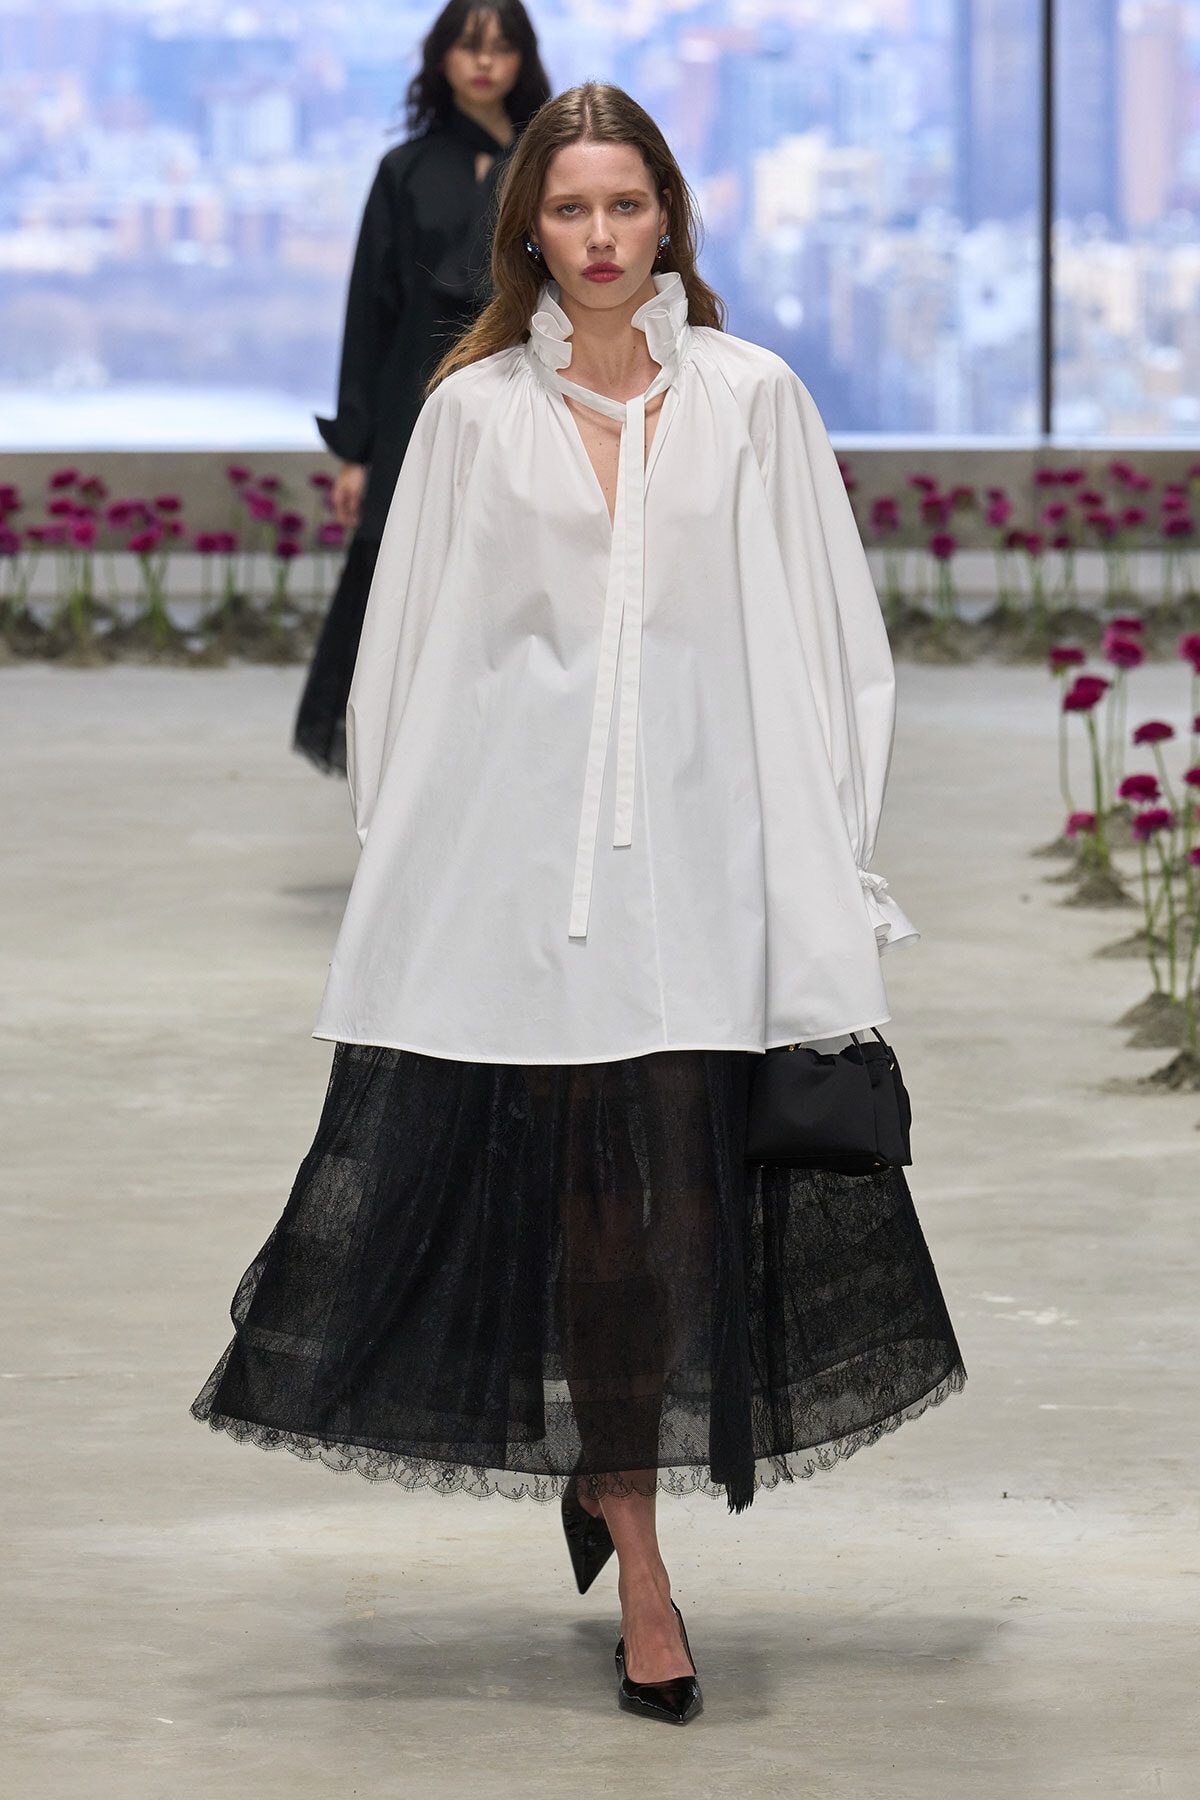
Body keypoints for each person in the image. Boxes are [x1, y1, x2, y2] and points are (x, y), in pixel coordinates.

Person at [195, 82, 965, 1725]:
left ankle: (607, 1464)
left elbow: (834, 648)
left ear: (670, 218)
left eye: (626, 206)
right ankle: (647, 1553)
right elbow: (415, 655)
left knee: (678, 1219)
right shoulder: (472, 414)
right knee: (587, 1212)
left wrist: (838, 860)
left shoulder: (758, 400)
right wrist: (408, 868)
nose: (601, 238)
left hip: (705, 868)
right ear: (526, 229)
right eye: (570, 210)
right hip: (522, 884)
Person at [294, 0, 551, 773]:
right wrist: (356, 450)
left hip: (523, 382)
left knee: (516, 576)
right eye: (468, 47)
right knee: (400, 583)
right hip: (415, 393)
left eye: (501, 47)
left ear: (522, 60)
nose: (484, 62)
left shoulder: (549, 164)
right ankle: (401, 781)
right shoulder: (401, 170)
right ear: (441, 58)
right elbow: (370, 313)